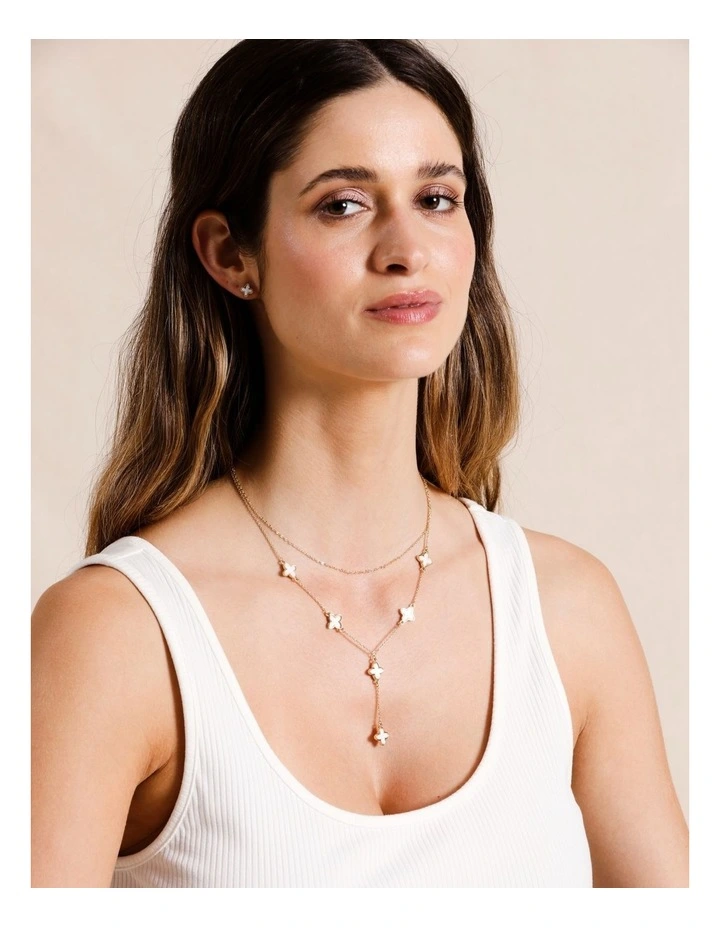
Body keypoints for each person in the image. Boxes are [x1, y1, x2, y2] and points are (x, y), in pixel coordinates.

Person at [31, 39, 688, 888]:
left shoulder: (567, 610)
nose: (406, 248)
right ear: (230, 254)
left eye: (437, 199)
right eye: (342, 205)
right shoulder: (117, 635)